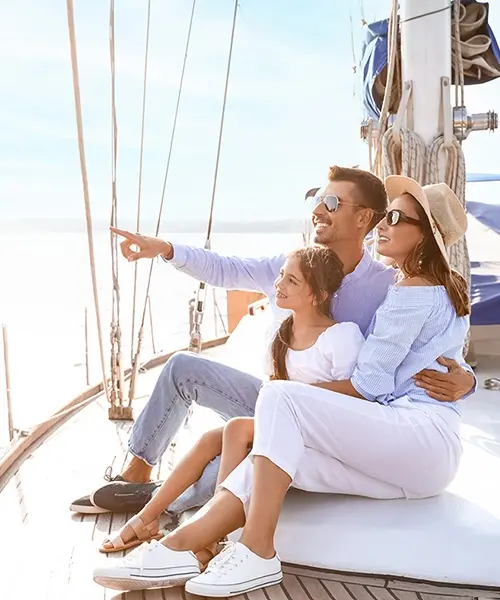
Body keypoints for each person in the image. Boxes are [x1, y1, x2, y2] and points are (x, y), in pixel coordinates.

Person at [92, 176, 473, 595]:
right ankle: (184, 542)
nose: (385, 223)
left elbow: (371, 384)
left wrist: (466, 380)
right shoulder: (411, 283)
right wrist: (165, 249)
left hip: (412, 434)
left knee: (276, 399)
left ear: (424, 239)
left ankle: (255, 550)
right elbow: (228, 268)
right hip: (401, 448)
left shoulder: (400, 288)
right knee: (273, 457)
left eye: (396, 217)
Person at [98, 245, 365, 559]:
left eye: (292, 281)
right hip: (277, 421)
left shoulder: (341, 336)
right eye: (281, 275)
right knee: (215, 437)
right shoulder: (281, 335)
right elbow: (271, 390)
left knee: (227, 443)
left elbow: (354, 396)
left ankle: (182, 519)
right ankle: (148, 517)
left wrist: (296, 401)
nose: (279, 285)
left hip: (314, 431)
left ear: (317, 295)